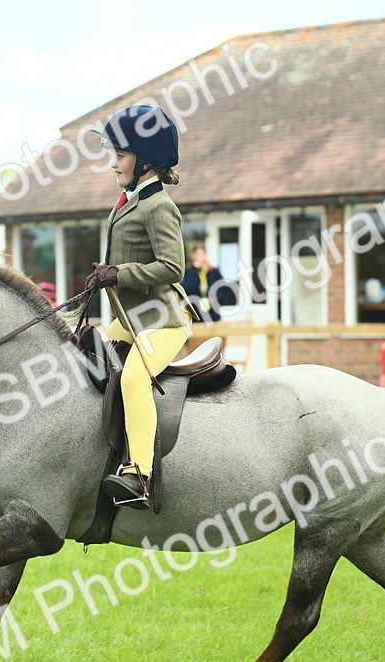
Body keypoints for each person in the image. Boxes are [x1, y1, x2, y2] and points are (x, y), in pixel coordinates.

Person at [84, 105, 197, 510]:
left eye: (120, 155)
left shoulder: (157, 205)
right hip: (131, 320)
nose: (113, 163)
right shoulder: (129, 200)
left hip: (164, 321)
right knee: (86, 356)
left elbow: (173, 267)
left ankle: (139, 475)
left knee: (133, 377)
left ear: (145, 161)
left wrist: (120, 273)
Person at [180, 245, 225, 322]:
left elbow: (223, 290)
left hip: (212, 316)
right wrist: (194, 271)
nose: (200, 257)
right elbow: (187, 289)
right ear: (193, 255)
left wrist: (213, 299)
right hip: (194, 317)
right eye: (197, 254)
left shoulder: (213, 272)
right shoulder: (187, 272)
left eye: (202, 254)